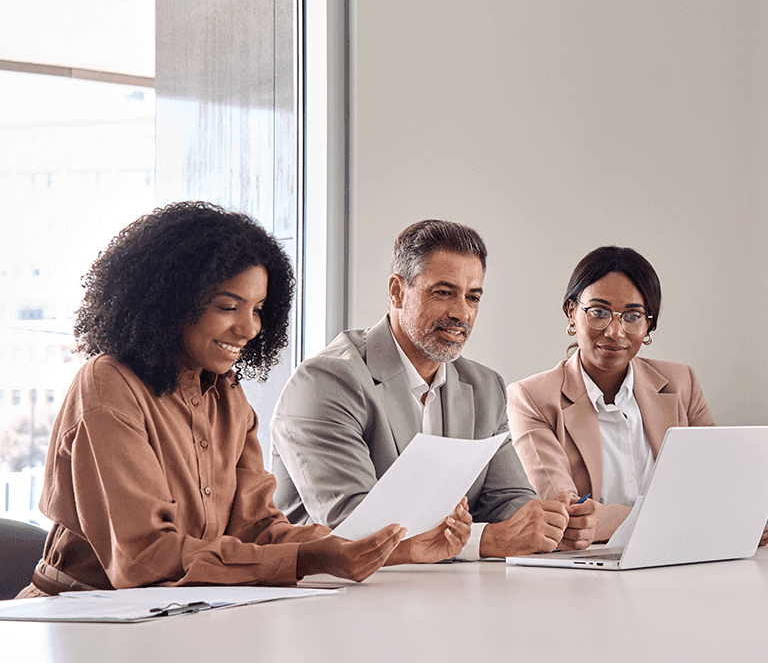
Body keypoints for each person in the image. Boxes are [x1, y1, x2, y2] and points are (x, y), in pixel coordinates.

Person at [18, 202, 467, 598]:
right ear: (171, 301)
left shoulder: (228, 393)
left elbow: (260, 530)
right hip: (78, 621)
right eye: (228, 307)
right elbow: (144, 558)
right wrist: (310, 560)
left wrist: (390, 549)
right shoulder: (108, 385)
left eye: (257, 310)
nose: (250, 329)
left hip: (183, 616)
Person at [271, 219, 596, 559]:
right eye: (443, 293)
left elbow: (508, 499)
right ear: (397, 292)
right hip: (332, 596)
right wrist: (485, 542)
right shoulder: (325, 382)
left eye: (473, 297)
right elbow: (355, 528)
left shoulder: (485, 387)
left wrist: (551, 525)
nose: (461, 313)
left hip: (441, 592)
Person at [507, 245, 720, 543]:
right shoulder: (532, 399)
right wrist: (689, 517)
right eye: (598, 312)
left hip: (680, 558)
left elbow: (719, 488)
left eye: (632, 316)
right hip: (589, 573)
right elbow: (568, 518)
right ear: (572, 313)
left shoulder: (681, 383)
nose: (615, 331)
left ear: (648, 325)